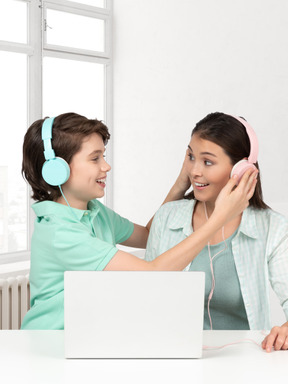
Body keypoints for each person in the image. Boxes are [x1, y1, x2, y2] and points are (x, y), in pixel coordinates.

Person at [20, 112, 256, 331]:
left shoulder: (94, 211)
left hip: (83, 337)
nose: (106, 166)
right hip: (48, 342)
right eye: (95, 159)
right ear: (57, 170)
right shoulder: (59, 232)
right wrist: (219, 219)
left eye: (103, 156)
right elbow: (152, 273)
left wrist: (181, 182)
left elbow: (148, 234)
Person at [145, 112, 288, 353]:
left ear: (240, 171)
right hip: (172, 354)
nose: (195, 171)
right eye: (191, 157)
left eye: (207, 162)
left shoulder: (272, 227)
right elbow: (143, 296)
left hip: (248, 358)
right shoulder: (167, 217)